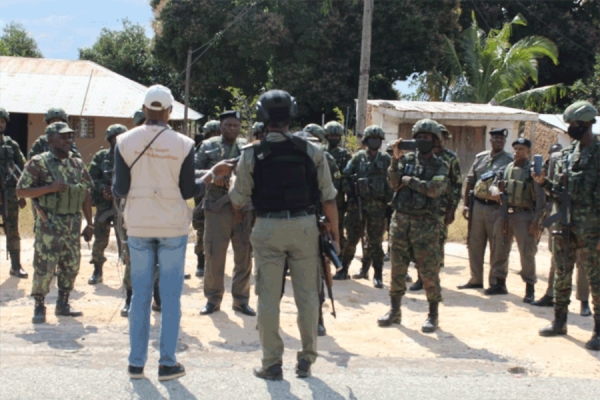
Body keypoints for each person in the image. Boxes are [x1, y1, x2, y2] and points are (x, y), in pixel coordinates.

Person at [113, 84, 239, 380]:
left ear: (144, 110)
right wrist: (210, 174)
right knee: (170, 298)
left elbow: (119, 188)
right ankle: (167, 363)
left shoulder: (123, 141)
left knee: (140, 297)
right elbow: (187, 189)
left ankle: (135, 363)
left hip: (139, 227)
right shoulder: (183, 143)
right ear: (169, 112)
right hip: (172, 227)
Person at [230, 89, 339, 380]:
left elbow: (238, 199)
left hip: (267, 228)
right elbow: (329, 199)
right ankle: (306, 360)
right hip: (305, 228)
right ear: (291, 115)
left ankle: (271, 364)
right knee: (307, 297)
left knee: (267, 298)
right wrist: (336, 238)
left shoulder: (252, 154)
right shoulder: (313, 151)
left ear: (263, 118)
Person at [534, 101, 600, 351]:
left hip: (591, 229)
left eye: (574, 125)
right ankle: (559, 322)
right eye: (570, 124)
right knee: (562, 275)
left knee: (596, 280)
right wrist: (542, 183)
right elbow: (559, 193)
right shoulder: (567, 155)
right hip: (564, 226)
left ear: (587, 124)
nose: (571, 128)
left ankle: (598, 331)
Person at [16, 122, 94, 324]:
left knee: (71, 265)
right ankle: (39, 306)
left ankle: (63, 303)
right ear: (50, 139)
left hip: (73, 224)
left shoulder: (77, 164)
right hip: (49, 224)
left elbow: (85, 193)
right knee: (44, 266)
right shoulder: (38, 163)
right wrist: (49, 188)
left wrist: (90, 223)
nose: (68, 140)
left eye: (70, 137)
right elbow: (21, 191)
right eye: (63, 137)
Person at [378, 119, 448, 333]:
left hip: (425, 224)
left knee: (428, 271)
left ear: (435, 141)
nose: (421, 141)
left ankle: (433, 315)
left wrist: (409, 181)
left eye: (426, 138)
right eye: (418, 138)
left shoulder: (440, 165)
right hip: (401, 220)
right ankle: (394, 310)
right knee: (397, 268)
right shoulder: (405, 160)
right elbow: (392, 183)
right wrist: (394, 161)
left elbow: (434, 189)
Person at [194, 111, 255, 316]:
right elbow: (193, 171)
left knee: (244, 256)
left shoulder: (247, 147)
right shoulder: (207, 146)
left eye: (236, 126)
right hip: (216, 208)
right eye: (228, 125)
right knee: (214, 254)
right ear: (221, 126)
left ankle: (241, 300)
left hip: (242, 209)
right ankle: (213, 299)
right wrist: (213, 174)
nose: (232, 129)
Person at [532, 143, 592, 316]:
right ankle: (551, 295)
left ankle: (584, 301)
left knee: (583, 261)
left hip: (584, 218)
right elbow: (549, 191)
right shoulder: (559, 158)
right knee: (557, 259)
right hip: (559, 214)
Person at [485, 137, 545, 301]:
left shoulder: (532, 171)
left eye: (521, 149)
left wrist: (537, 221)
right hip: (505, 213)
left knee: (527, 252)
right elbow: (493, 187)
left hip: (524, 215)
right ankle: (499, 283)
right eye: (516, 148)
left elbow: (540, 198)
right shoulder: (507, 168)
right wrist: (496, 190)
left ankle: (530, 288)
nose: (517, 152)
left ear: (528, 151)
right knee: (500, 248)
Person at [335, 125, 392, 289]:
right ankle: (344, 269)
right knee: (352, 238)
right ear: (366, 141)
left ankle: (378, 275)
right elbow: (345, 176)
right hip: (357, 205)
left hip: (378, 207)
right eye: (371, 139)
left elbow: (392, 182)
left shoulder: (386, 160)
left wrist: (389, 204)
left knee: (376, 242)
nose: (374, 142)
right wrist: (351, 194)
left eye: (377, 139)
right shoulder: (358, 158)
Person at [458, 128, 513, 290]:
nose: (498, 141)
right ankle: (476, 279)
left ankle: (497, 282)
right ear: (490, 140)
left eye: (501, 139)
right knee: (474, 244)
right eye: (495, 138)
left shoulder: (509, 161)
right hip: (478, 207)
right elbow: (469, 180)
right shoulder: (480, 158)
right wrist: (466, 204)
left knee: (498, 246)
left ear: (504, 141)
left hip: (497, 209)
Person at [410, 123, 462, 291]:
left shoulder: (450, 158)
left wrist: (452, 209)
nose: (439, 141)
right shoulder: (417, 156)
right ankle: (420, 277)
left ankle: (433, 277)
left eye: (441, 137)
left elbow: (457, 185)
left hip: (440, 208)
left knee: (436, 243)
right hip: (418, 207)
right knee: (417, 243)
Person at [87, 124, 128, 285]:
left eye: (120, 138)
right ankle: (97, 270)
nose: (117, 141)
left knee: (125, 238)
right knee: (100, 237)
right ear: (109, 139)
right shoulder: (101, 157)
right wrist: (102, 190)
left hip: (124, 203)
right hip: (104, 204)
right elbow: (91, 178)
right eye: (114, 138)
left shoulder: (131, 156)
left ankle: (128, 273)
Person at [0, 108, 28, 278]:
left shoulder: (12, 145)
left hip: (9, 193)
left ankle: (16, 266)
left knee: (12, 230)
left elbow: (23, 169)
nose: (0, 125)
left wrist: (22, 194)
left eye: (2, 122)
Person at [192, 120, 221, 278]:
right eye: (212, 134)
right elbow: (194, 170)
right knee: (202, 230)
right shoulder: (202, 148)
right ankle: (201, 262)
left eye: (217, 133)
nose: (215, 137)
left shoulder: (226, 148)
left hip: (222, 196)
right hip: (204, 196)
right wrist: (213, 174)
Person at [324, 121, 351, 251]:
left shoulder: (344, 155)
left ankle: (340, 262)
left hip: (337, 199)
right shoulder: (320, 152)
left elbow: (347, 177)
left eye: (336, 136)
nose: (333, 138)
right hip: (321, 196)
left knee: (337, 230)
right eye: (331, 136)